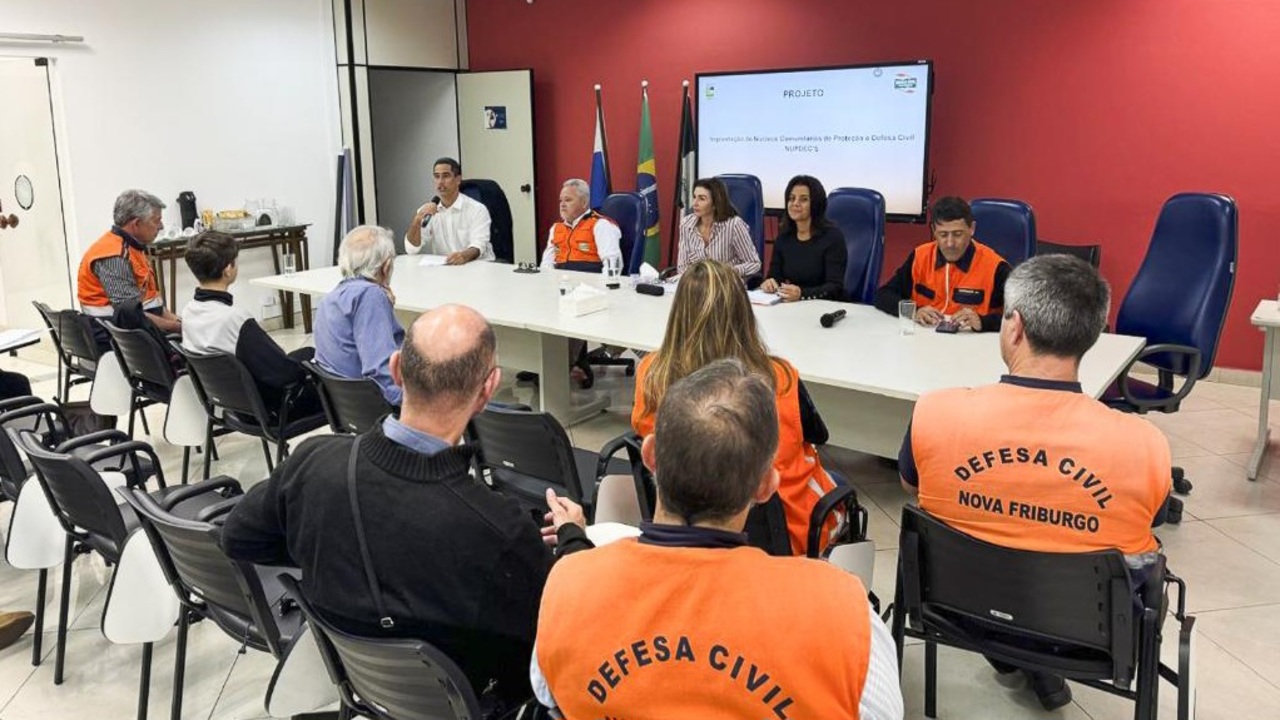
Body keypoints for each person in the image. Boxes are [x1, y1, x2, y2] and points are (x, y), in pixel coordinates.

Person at [220, 304, 591, 713]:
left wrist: (326, 545)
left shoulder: (313, 461)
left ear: (396, 370)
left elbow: (237, 536)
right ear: (488, 390)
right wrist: (574, 538)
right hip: (471, 701)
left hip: (361, 685)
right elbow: (572, 622)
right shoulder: (498, 529)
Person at [534, 358, 903, 719]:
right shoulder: (843, 611)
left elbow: (547, 693)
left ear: (650, 456)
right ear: (766, 486)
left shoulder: (567, 584)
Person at [899, 254, 1172, 710]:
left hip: (955, 610)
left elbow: (912, 487)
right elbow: (1151, 518)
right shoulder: (1144, 443)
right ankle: (1036, 662)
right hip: (1089, 637)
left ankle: (1012, 659)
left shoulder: (935, 412)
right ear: (1092, 336)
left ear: (1015, 327)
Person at [632, 259, 839, 555]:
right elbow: (808, 441)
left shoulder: (652, 373)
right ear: (743, 312)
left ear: (678, 312)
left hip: (682, 533)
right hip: (782, 537)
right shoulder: (778, 377)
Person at [179, 231, 322, 419]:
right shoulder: (234, 319)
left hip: (230, 404)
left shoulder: (188, 312)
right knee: (325, 374)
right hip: (270, 410)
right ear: (228, 269)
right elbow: (284, 374)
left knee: (306, 353)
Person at [874, 195, 1010, 332]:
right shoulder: (920, 256)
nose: (950, 243)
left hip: (972, 345)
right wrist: (914, 311)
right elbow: (883, 295)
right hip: (923, 344)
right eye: (943, 235)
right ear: (934, 231)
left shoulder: (995, 267)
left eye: (957, 234)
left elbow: (1025, 317)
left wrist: (983, 322)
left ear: (972, 229)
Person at [77, 189, 183, 346]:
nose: (161, 226)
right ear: (137, 224)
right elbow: (132, 316)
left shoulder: (133, 248)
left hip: (139, 331)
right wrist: (178, 328)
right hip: (117, 339)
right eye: (156, 220)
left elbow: (153, 302)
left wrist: (181, 322)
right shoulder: (114, 256)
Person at [313, 226, 405, 406]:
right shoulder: (370, 296)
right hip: (374, 407)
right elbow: (380, 371)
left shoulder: (331, 297)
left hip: (344, 406)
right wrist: (415, 404)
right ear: (386, 266)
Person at [761, 175, 848, 301]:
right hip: (794, 306)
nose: (795, 203)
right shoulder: (783, 238)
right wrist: (769, 283)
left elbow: (835, 287)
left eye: (803, 199)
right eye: (791, 198)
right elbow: (774, 277)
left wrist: (802, 294)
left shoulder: (832, 237)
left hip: (826, 307)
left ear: (815, 204)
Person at [404, 157, 494, 264]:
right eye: (437, 177)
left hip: (477, 267)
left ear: (458, 179)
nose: (440, 182)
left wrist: (463, 256)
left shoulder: (477, 209)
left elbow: (479, 245)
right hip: (447, 269)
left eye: (446, 176)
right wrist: (417, 221)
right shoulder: (428, 211)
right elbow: (411, 249)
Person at [676, 178, 761, 279]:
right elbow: (682, 267)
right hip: (696, 285)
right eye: (694, 197)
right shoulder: (686, 224)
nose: (694, 203)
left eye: (702, 199)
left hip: (726, 285)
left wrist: (727, 272)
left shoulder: (734, 225)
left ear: (715, 203)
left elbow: (754, 263)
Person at [539, 178, 622, 272]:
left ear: (584, 202)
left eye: (568, 200)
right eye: (560, 200)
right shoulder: (556, 228)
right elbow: (547, 263)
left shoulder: (601, 225)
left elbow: (613, 264)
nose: (562, 205)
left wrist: (603, 285)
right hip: (561, 282)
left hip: (590, 283)